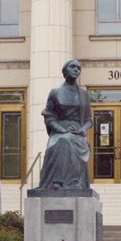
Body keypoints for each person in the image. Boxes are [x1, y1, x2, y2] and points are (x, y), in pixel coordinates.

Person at [38, 59, 93, 190]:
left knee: (75, 141)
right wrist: (61, 130)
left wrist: (82, 130)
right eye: (72, 67)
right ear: (65, 71)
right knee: (64, 141)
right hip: (59, 131)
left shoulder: (84, 95)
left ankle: (73, 183)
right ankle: (58, 182)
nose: (76, 70)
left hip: (77, 132)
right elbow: (49, 115)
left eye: (78, 68)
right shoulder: (55, 92)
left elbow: (89, 119)